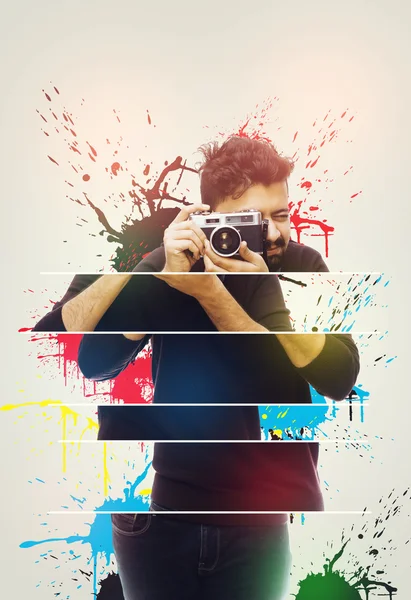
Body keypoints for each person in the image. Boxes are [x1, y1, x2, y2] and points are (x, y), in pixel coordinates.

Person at [33, 136, 359, 600]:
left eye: (280, 215)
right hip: (166, 514)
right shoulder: (174, 268)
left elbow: (339, 377)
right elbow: (95, 363)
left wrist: (245, 292)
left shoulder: (301, 266)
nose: (270, 234)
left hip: (261, 523)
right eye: (248, 221)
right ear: (210, 220)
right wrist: (156, 272)